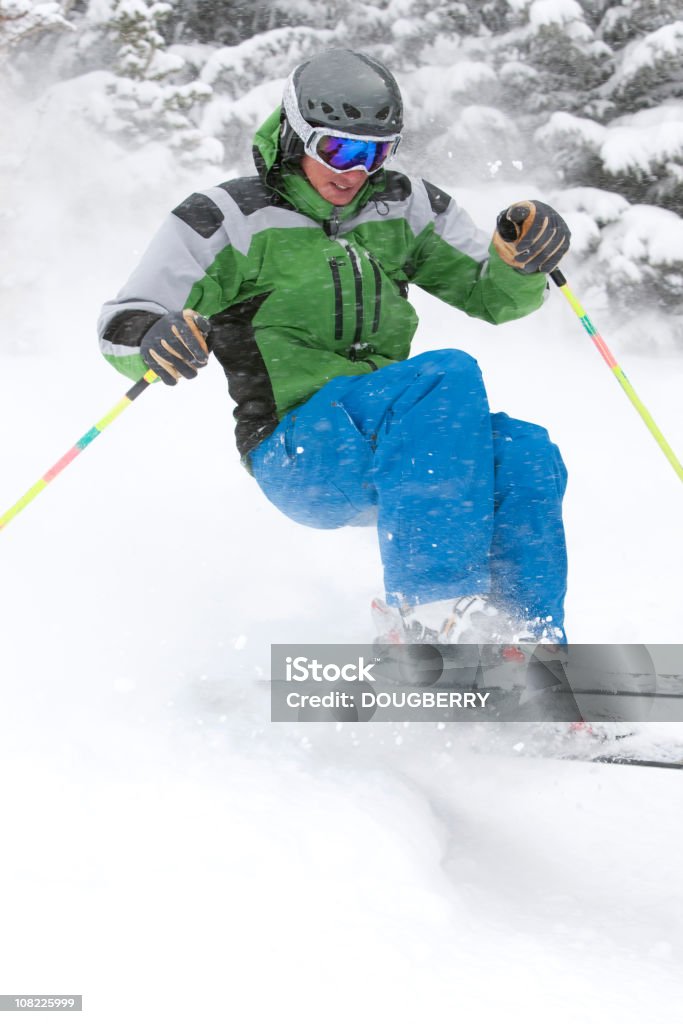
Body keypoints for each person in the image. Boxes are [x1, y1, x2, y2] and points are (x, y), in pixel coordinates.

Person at [98, 48, 570, 644]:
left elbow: (493, 298)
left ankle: (526, 644)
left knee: (525, 451)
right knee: (444, 374)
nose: (354, 170)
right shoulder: (231, 217)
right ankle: (428, 617)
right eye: (338, 149)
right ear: (296, 136)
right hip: (299, 449)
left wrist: (518, 262)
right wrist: (151, 338)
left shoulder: (405, 206)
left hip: (403, 449)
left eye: (375, 153)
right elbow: (124, 320)